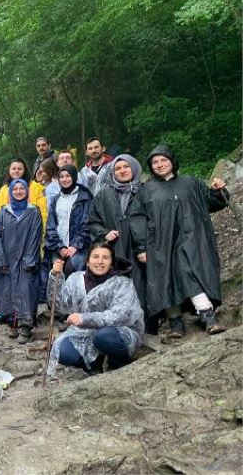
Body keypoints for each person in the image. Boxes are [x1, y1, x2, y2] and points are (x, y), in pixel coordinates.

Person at [137, 145, 229, 337]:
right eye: (155, 162)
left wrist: (218, 191)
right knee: (166, 280)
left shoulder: (191, 183)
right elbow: (138, 219)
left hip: (192, 239)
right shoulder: (146, 190)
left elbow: (212, 203)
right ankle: (175, 323)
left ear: (172, 161)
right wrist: (141, 247)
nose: (160, 165)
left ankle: (207, 316)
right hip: (161, 244)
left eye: (163, 160)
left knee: (190, 273)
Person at [47, 242, 145, 376]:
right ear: (87, 261)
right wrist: (55, 276)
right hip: (86, 332)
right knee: (62, 351)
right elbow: (60, 304)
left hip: (119, 332)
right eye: (95, 257)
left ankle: (118, 363)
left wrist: (85, 318)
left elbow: (121, 315)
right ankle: (93, 364)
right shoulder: (76, 279)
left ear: (111, 262)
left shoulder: (122, 283)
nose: (100, 261)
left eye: (105, 258)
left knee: (103, 337)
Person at [87, 155, 149, 330]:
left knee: (141, 287)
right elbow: (92, 221)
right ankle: (116, 328)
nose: (122, 171)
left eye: (126, 167)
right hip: (114, 251)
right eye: (117, 168)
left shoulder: (145, 191)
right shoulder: (103, 194)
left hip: (141, 250)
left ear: (134, 168)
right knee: (116, 289)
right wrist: (105, 234)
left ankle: (145, 327)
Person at [0, 180, 42, 343]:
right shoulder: (3, 213)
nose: (19, 191)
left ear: (26, 191)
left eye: (22, 188)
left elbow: (36, 236)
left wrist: (30, 259)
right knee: (8, 290)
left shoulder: (33, 211)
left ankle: (25, 326)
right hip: (7, 258)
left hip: (26, 258)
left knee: (26, 290)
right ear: (11, 192)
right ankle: (12, 323)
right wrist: (0, 258)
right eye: (16, 189)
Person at [44, 165, 93, 277]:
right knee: (56, 278)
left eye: (68, 176)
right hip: (58, 248)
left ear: (74, 177)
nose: (65, 179)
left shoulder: (85, 197)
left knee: (72, 274)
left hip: (79, 248)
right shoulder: (56, 199)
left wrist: (76, 245)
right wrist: (59, 246)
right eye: (61, 177)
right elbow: (50, 226)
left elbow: (88, 223)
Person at [0, 158, 48, 228]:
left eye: (19, 169)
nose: (16, 171)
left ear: (24, 171)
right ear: (9, 171)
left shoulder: (35, 187)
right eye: (13, 169)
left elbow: (43, 213)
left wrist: (41, 231)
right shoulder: (4, 189)